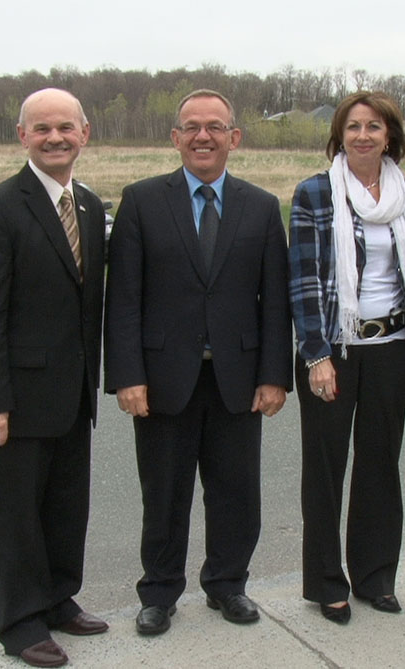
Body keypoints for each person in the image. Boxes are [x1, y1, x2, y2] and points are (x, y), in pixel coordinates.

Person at [104, 89, 293, 635]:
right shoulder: (141, 200)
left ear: (234, 137)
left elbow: (274, 299)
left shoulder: (260, 206)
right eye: (192, 127)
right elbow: (125, 299)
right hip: (164, 379)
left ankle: (228, 585)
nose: (203, 136)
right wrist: (128, 376)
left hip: (237, 376)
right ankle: (159, 593)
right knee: (164, 492)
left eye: (215, 126)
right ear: (175, 138)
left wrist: (275, 374)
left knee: (237, 492)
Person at [0, 88, 108, 668]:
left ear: (84, 133)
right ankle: (21, 624)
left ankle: (57, 599)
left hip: (72, 393)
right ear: (22, 136)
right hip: (13, 402)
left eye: (65, 128)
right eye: (41, 128)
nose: (55, 138)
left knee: (67, 506)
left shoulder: (91, 207)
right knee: (14, 515)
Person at [288, 91, 405, 624]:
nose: (363, 135)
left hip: (392, 347)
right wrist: (316, 354)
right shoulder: (316, 193)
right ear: (339, 136)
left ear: (389, 134)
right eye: (353, 127)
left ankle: (374, 577)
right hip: (334, 350)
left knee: (380, 465)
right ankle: (327, 582)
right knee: (325, 469)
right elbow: (302, 280)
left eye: (373, 126)